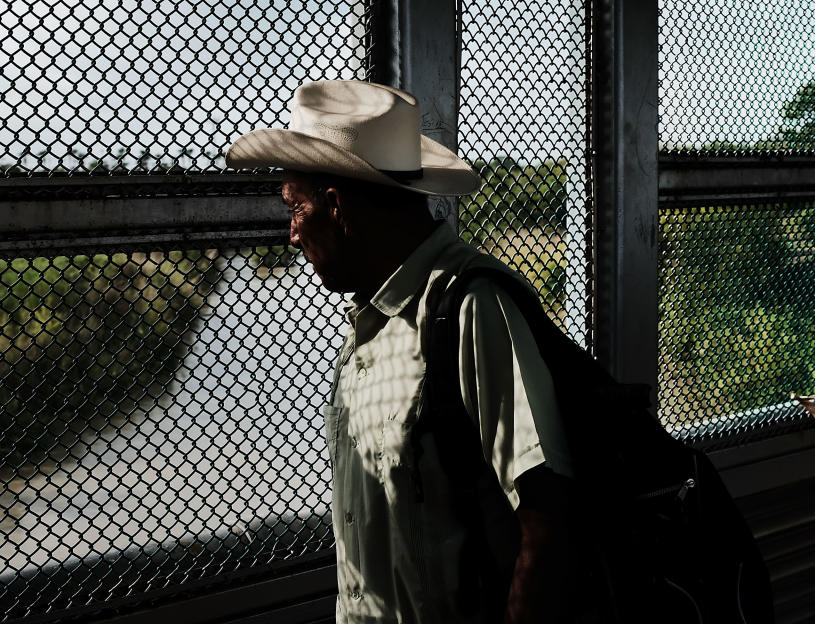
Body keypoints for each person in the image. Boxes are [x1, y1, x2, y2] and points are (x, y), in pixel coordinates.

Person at [227, 80, 574, 624]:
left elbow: (548, 514)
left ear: (336, 207)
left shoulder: (469, 309)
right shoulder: (376, 322)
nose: (292, 234)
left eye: (295, 208)